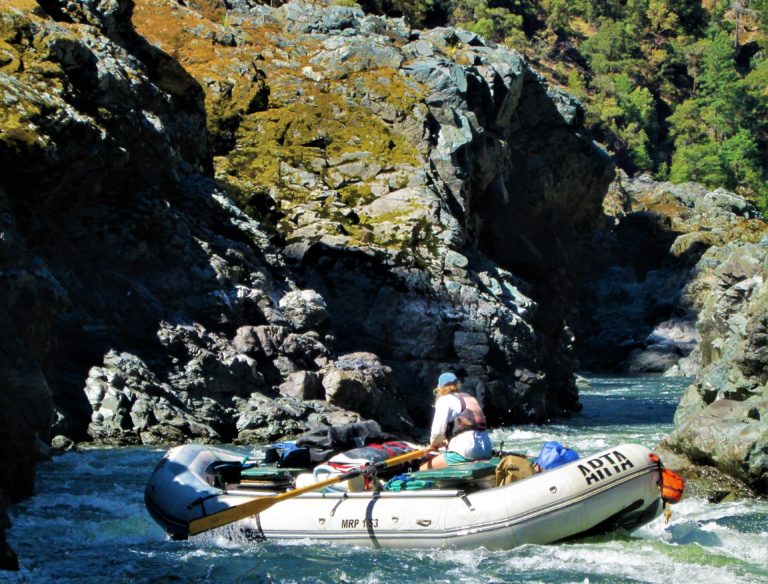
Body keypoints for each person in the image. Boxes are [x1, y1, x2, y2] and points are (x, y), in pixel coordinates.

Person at [420, 372, 492, 470]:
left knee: (424, 468)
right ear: (457, 385)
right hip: (487, 449)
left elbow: (438, 432)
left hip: (466, 451)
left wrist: (433, 445)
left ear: (440, 388)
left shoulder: (444, 400)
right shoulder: (470, 398)